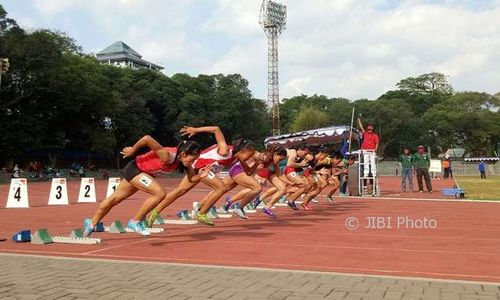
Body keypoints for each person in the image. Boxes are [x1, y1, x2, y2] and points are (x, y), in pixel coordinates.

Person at [83, 135, 204, 237]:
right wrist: (133, 150)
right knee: (159, 193)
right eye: (192, 159)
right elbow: (147, 139)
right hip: (135, 169)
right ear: (183, 154)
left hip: (143, 175)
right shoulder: (167, 155)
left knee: (114, 199)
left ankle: (91, 223)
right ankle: (135, 221)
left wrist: (201, 176)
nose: (192, 162)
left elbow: (191, 179)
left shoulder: (184, 162)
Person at [357, 117, 379, 193]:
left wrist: (376, 149)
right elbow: (361, 128)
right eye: (369, 129)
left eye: (371, 129)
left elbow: (377, 143)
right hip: (365, 150)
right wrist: (359, 121)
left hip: (372, 151)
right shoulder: (365, 134)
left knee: (372, 163)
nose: (369, 130)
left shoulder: (375, 136)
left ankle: (373, 173)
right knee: (366, 162)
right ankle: (366, 174)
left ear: (372, 130)